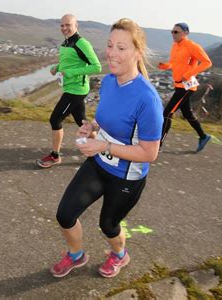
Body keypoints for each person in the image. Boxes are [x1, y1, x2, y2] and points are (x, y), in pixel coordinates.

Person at [50, 18, 163, 278]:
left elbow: (150, 153)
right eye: (110, 45)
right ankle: (76, 256)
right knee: (65, 214)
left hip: (126, 176)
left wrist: (103, 144)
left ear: (137, 52)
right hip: (100, 163)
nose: (111, 52)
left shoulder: (148, 99)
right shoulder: (110, 81)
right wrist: (90, 127)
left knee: (108, 225)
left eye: (121, 48)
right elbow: (104, 118)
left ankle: (120, 255)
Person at [36, 14, 101, 168]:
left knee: (55, 119)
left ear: (76, 25)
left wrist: (71, 73)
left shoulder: (82, 43)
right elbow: (68, 61)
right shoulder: (66, 42)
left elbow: (96, 66)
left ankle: (55, 156)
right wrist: (57, 67)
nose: (64, 28)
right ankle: (98, 149)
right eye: (62, 25)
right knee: (81, 121)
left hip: (76, 90)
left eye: (68, 25)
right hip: (70, 87)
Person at [158, 22, 212, 152]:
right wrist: (165, 66)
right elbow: (174, 63)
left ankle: (158, 144)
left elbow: (207, 63)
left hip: (187, 87)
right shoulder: (175, 46)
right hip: (178, 85)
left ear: (185, 33)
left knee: (167, 113)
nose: (173, 34)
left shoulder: (192, 46)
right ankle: (203, 136)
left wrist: (188, 74)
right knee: (187, 113)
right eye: (172, 31)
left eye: (176, 32)